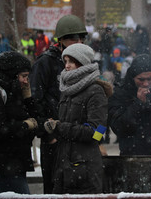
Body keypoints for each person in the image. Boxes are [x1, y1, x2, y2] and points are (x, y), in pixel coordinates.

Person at [30, 14, 87, 194]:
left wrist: (97, 139)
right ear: (61, 40)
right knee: (55, 188)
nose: (77, 41)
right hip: (54, 138)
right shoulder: (46, 62)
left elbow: (96, 109)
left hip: (78, 138)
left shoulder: (85, 62)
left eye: (80, 38)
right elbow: (34, 100)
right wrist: (48, 134)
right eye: (71, 38)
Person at [43, 43, 112, 194]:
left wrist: (60, 127)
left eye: (71, 61)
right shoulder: (67, 90)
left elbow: (97, 132)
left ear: (82, 62)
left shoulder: (95, 91)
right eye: (65, 61)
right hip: (64, 165)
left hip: (86, 169)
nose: (67, 66)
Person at [0, 51, 39, 194]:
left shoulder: (15, 91)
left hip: (15, 162)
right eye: (23, 76)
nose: (26, 81)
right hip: (2, 164)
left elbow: (35, 117)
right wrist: (24, 125)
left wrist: (28, 97)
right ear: (13, 74)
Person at [108, 54, 151, 155]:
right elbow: (118, 126)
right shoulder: (121, 92)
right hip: (131, 152)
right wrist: (138, 104)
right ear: (133, 77)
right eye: (141, 79)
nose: (146, 84)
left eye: (149, 79)